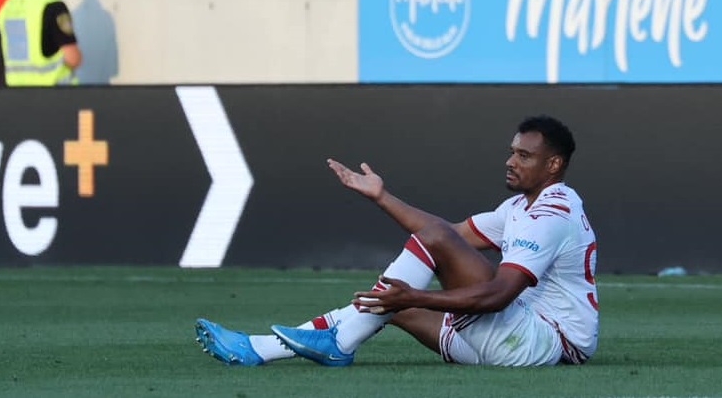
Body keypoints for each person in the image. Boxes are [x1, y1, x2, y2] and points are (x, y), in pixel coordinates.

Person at [197, 115, 594, 369]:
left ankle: (337, 345)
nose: (511, 161)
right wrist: (382, 197)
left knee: (400, 292)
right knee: (380, 304)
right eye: (511, 152)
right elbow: (449, 237)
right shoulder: (519, 207)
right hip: (504, 343)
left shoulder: (552, 212)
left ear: (553, 165)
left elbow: (497, 296)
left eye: (524, 156)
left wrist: (415, 298)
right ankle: (259, 349)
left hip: (544, 345)